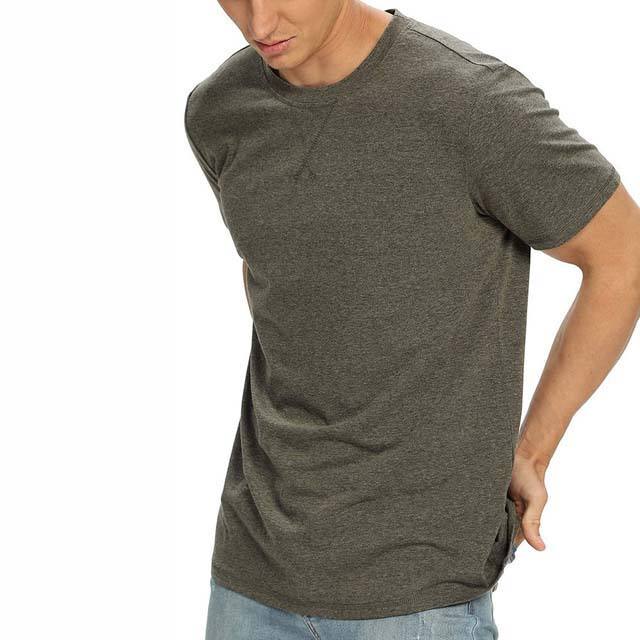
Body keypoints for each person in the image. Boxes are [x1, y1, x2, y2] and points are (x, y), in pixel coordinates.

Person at [184, 2, 640, 638]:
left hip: (419, 594)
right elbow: (278, 277)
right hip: (250, 574)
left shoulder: (471, 101)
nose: (259, 24)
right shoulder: (219, 111)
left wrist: (533, 449)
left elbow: (623, 255)